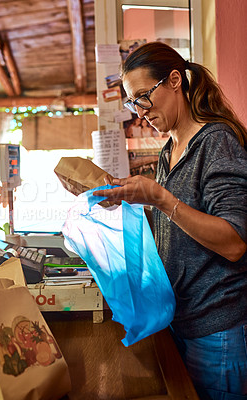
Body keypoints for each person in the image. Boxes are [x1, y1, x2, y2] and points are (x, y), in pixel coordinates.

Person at [93, 42, 247, 400]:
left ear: (174, 80)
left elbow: (235, 242)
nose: (139, 111)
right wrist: (125, 199)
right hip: (181, 318)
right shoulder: (169, 151)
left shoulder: (216, 142)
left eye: (143, 96)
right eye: (132, 103)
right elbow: (175, 222)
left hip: (217, 327)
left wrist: (160, 198)